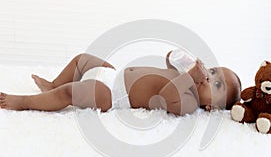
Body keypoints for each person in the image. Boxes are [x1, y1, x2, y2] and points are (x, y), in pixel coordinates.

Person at [0, 50, 241, 116]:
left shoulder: (188, 103)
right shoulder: (185, 77)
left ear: (211, 108)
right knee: (82, 60)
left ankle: (23, 102)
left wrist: (189, 77)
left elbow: (167, 96)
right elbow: (169, 61)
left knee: (73, 92)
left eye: (217, 85)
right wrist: (178, 59)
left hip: (114, 94)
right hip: (113, 74)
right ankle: (52, 85)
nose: (209, 78)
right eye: (212, 71)